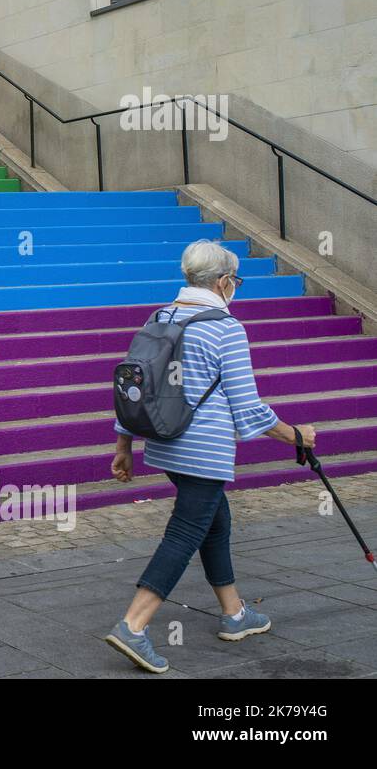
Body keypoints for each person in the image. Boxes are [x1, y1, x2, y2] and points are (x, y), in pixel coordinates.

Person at [103, 239, 318, 674]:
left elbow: (134, 385)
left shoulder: (159, 317)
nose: (235, 288)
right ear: (223, 282)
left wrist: (124, 444)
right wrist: (296, 435)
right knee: (185, 533)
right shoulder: (225, 327)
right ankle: (133, 625)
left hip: (164, 442)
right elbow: (249, 408)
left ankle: (235, 614)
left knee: (214, 523)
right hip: (204, 450)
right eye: (235, 281)